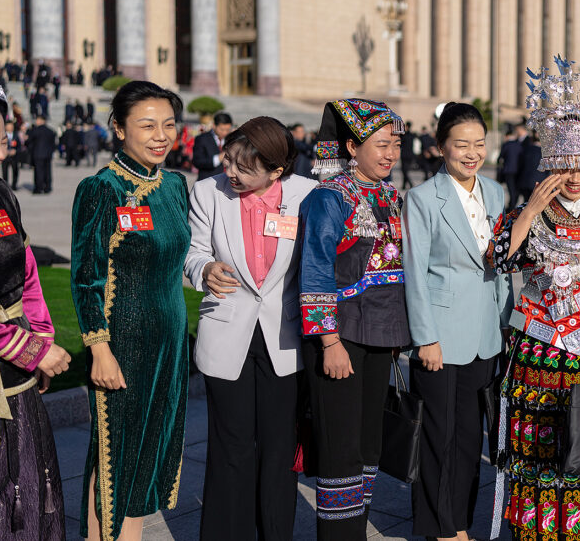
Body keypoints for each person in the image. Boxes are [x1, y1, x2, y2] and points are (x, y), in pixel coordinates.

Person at [486, 56, 580, 541]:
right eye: (564, 166)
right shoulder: (528, 212)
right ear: (549, 163)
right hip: (537, 342)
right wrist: (527, 212)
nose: (574, 177)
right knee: (538, 445)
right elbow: (498, 261)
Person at [185, 116, 317, 540]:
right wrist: (203, 269)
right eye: (229, 161)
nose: (231, 173)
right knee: (232, 447)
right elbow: (193, 252)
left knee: (279, 449)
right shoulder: (208, 191)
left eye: (245, 168)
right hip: (227, 332)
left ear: (277, 170)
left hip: (285, 337)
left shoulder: (307, 194)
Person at [70, 80, 192, 540]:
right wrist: (98, 349)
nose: (161, 134)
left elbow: (182, 255)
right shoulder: (101, 189)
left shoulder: (174, 185)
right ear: (119, 129)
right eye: (147, 125)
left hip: (170, 338)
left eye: (168, 124)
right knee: (115, 454)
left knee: (150, 454)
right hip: (122, 340)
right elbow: (86, 277)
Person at [299, 99, 411, 538]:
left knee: (368, 447)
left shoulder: (387, 193)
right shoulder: (330, 197)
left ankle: (355, 530)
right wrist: (329, 343)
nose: (390, 154)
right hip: (342, 339)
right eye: (380, 144)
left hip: (380, 336)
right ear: (351, 145)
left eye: (395, 144)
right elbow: (315, 269)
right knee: (341, 450)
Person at [403, 102, 514, 541]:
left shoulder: (496, 192)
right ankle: (441, 526)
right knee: (438, 435)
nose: (472, 153)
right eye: (461, 145)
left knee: (471, 437)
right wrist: (425, 338)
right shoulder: (423, 198)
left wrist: (507, 322)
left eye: (479, 144)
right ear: (440, 147)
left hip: (486, 334)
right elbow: (413, 272)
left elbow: (502, 264)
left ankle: (460, 520)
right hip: (441, 336)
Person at [0, 108, 72, 540]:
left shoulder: (3, 194)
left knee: (27, 487)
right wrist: (33, 350)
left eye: (4, 131)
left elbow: (28, 275)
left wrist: (41, 338)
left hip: (16, 373)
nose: (6, 140)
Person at [192, 112, 234, 180]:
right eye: (222, 129)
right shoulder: (202, 138)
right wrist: (218, 158)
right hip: (207, 180)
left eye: (227, 130)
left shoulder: (231, 139)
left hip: (227, 182)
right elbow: (197, 161)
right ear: (214, 125)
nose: (225, 132)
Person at [25, 115, 56, 194]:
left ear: (42, 121)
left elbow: (29, 141)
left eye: (38, 120)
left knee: (38, 171)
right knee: (47, 171)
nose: (36, 122)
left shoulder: (35, 130)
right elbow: (54, 143)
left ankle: (39, 188)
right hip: (48, 154)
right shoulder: (50, 131)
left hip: (38, 154)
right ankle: (47, 187)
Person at [498, 125, 524, 210]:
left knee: (511, 191)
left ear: (507, 136)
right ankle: (512, 207)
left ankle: (510, 209)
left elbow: (500, 158)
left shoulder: (506, 145)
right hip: (518, 172)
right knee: (515, 192)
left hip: (508, 171)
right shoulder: (519, 145)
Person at [3, 119, 22, 189]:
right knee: (5, 172)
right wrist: (5, 151)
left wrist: (15, 151)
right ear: (5, 127)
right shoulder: (2, 135)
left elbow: (20, 146)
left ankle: (14, 185)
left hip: (14, 157)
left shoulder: (16, 135)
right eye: (9, 126)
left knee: (15, 171)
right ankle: (5, 186)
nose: (10, 128)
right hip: (5, 157)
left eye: (11, 126)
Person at [399, 120, 418, 189]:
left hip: (404, 155)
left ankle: (410, 183)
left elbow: (400, 143)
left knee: (404, 171)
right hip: (411, 155)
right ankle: (404, 186)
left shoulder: (404, 135)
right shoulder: (412, 135)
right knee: (405, 170)